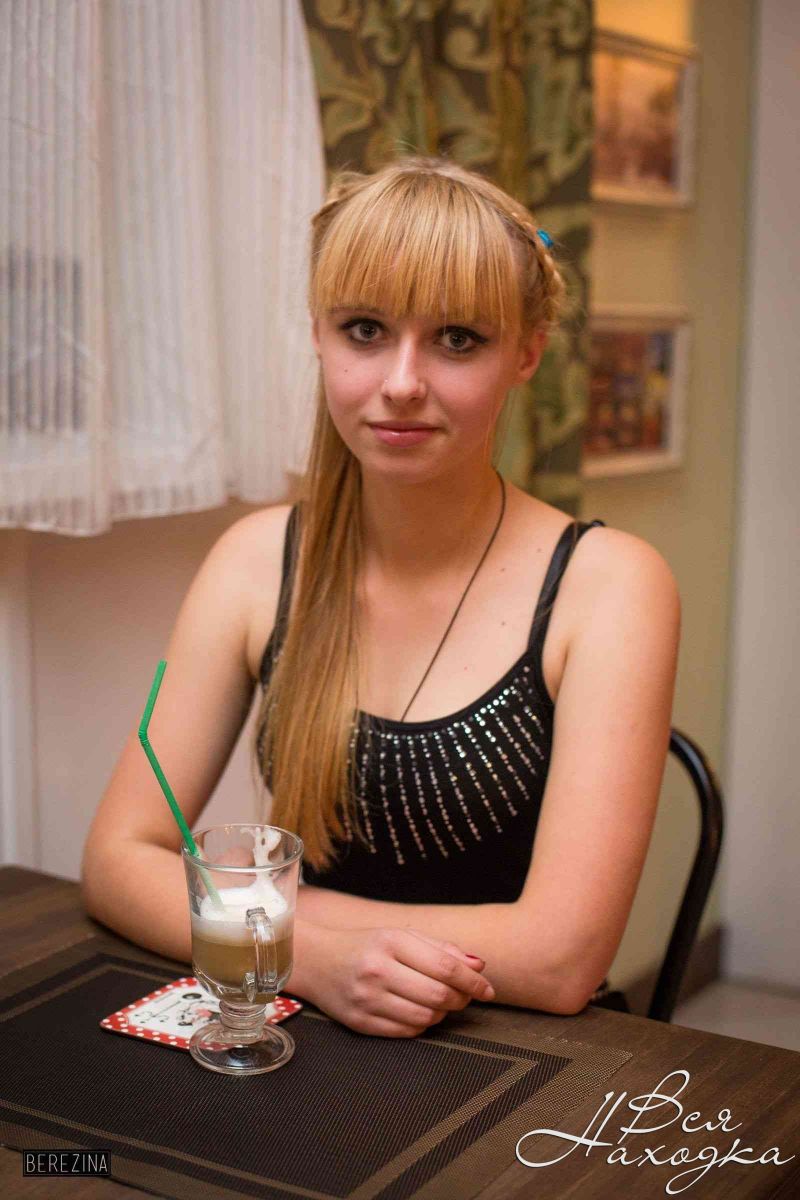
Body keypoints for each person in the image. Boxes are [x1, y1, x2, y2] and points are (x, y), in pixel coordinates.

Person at [82, 156, 680, 1039]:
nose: (402, 381)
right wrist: (310, 958)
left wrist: (270, 918)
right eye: (365, 330)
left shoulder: (611, 586)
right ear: (319, 336)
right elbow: (115, 859)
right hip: (306, 1023)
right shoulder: (255, 561)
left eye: (457, 339)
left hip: (513, 1051)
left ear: (527, 352)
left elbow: (561, 960)